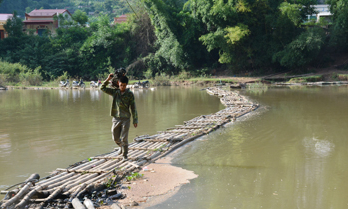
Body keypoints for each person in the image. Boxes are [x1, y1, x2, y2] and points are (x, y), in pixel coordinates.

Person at [100, 74, 138, 160]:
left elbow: (133, 107)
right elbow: (102, 88)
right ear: (118, 83)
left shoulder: (130, 94)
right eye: (121, 85)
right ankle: (121, 146)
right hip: (116, 118)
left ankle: (125, 155)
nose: (122, 87)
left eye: (124, 85)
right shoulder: (115, 92)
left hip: (126, 119)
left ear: (126, 85)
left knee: (124, 138)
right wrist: (108, 79)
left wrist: (135, 120)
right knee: (115, 137)